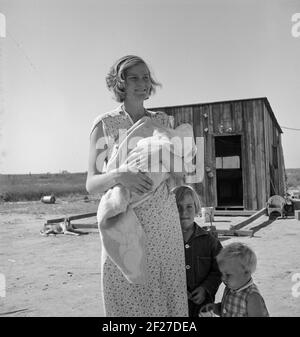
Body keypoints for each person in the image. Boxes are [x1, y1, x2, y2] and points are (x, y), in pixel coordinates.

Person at [86, 55, 190, 316]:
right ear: (120, 82)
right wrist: (122, 175)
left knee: (166, 290)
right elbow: (92, 183)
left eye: (146, 77)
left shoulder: (162, 122)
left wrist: (180, 165)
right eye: (134, 77)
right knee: (126, 291)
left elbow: (181, 171)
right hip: (123, 221)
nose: (142, 83)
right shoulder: (106, 125)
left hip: (163, 222)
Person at [173, 185, 222, 317]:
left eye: (189, 206)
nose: (184, 212)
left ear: (196, 209)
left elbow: (219, 270)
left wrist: (206, 288)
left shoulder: (210, 242)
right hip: (172, 307)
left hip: (202, 309)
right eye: (178, 207)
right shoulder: (165, 243)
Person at [201, 242, 269, 317]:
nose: (223, 278)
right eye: (222, 273)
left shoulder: (252, 296)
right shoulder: (230, 288)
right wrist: (216, 308)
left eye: (228, 275)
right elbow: (228, 308)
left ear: (246, 272)